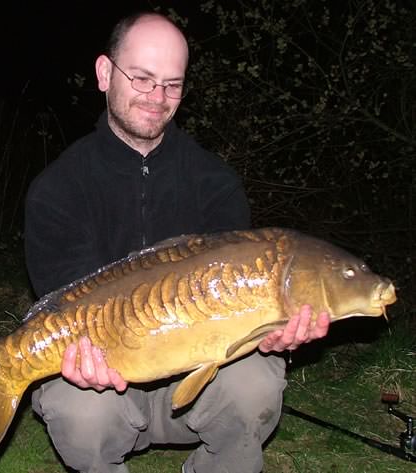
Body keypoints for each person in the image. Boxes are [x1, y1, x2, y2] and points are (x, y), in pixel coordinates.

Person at [24, 11, 330, 473]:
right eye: (143, 79)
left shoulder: (216, 182)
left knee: (257, 386)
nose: (157, 98)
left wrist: (275, 333)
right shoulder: (58, 188)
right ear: (105, 73)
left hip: (196, 379)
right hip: (106, 381)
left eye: (172, 84)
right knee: (79, 411)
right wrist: (79, 358)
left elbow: (243, 305)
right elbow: (66, 305)